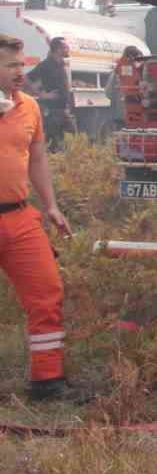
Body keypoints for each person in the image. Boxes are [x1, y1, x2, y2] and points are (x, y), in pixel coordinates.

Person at [0, 34, 79, 402]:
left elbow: (37, 157)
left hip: (19, 219)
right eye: (10, 65)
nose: (20, 72)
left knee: (47, 294)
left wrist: (51, 205)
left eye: (20, 64)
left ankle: (48, 382)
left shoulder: (29, 106)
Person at [25, 38, 74, 151]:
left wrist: (67, 106)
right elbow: (26, 78)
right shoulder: (46, 65)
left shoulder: (61, 63)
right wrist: (41, 94)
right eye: (65, 47)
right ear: (58, 49)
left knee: (70, 137)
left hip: (62, 109)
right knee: (52, 140)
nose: (68, 49)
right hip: (52, 109)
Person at [106, 46, 142, 130]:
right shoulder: (138, 66)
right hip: (134, 104)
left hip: (120, 104)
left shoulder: (119, 65)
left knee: (120, 128)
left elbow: (109, 90)